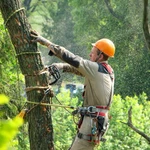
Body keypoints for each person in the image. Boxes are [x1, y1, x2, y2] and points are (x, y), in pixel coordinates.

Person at [31, 30, 115, 150]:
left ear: (100, 55)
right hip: (96, 119)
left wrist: (47, 43)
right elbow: (78, 69)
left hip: (93, 120)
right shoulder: (106, 70)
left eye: (93, 53)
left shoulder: (96, 69)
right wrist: (61, 66)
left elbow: (73, 59)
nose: (90, 55)